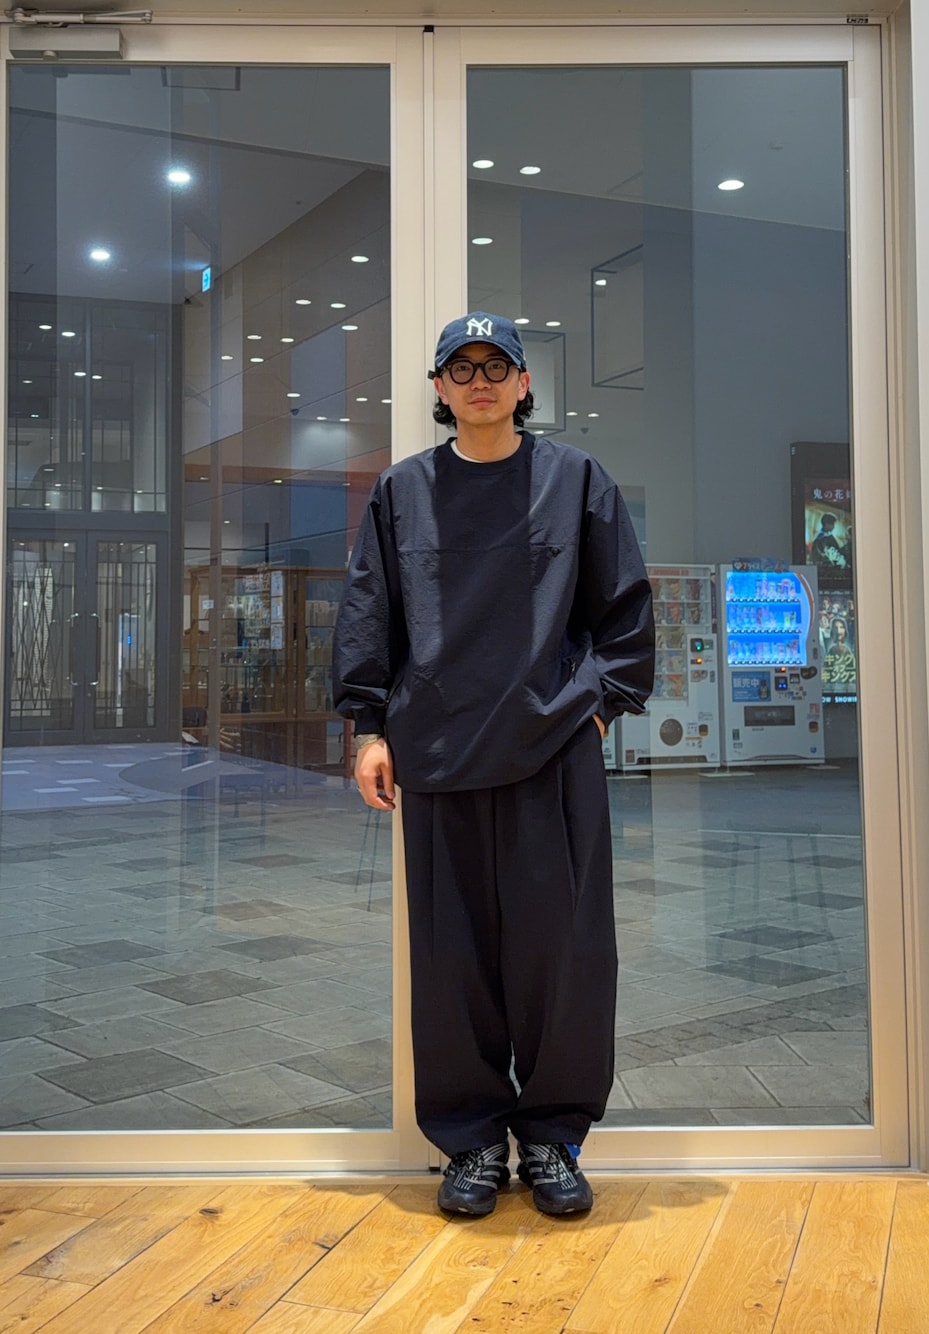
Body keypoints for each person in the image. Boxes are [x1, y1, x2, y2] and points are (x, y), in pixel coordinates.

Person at [332, 311, 654, 1219]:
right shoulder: (402, 491)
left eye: (496, 365)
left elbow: (624, 608)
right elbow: (369, 612)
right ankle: (470, 1141)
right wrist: (369, 728)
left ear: (523, 383)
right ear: (439, 388)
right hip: (437, 752)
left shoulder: (576, 480)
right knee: (452, 960)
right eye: (461, 368)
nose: (480, 381)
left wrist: (599, 710)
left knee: (564, 953)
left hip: (552, 751)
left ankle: (553, 1137)